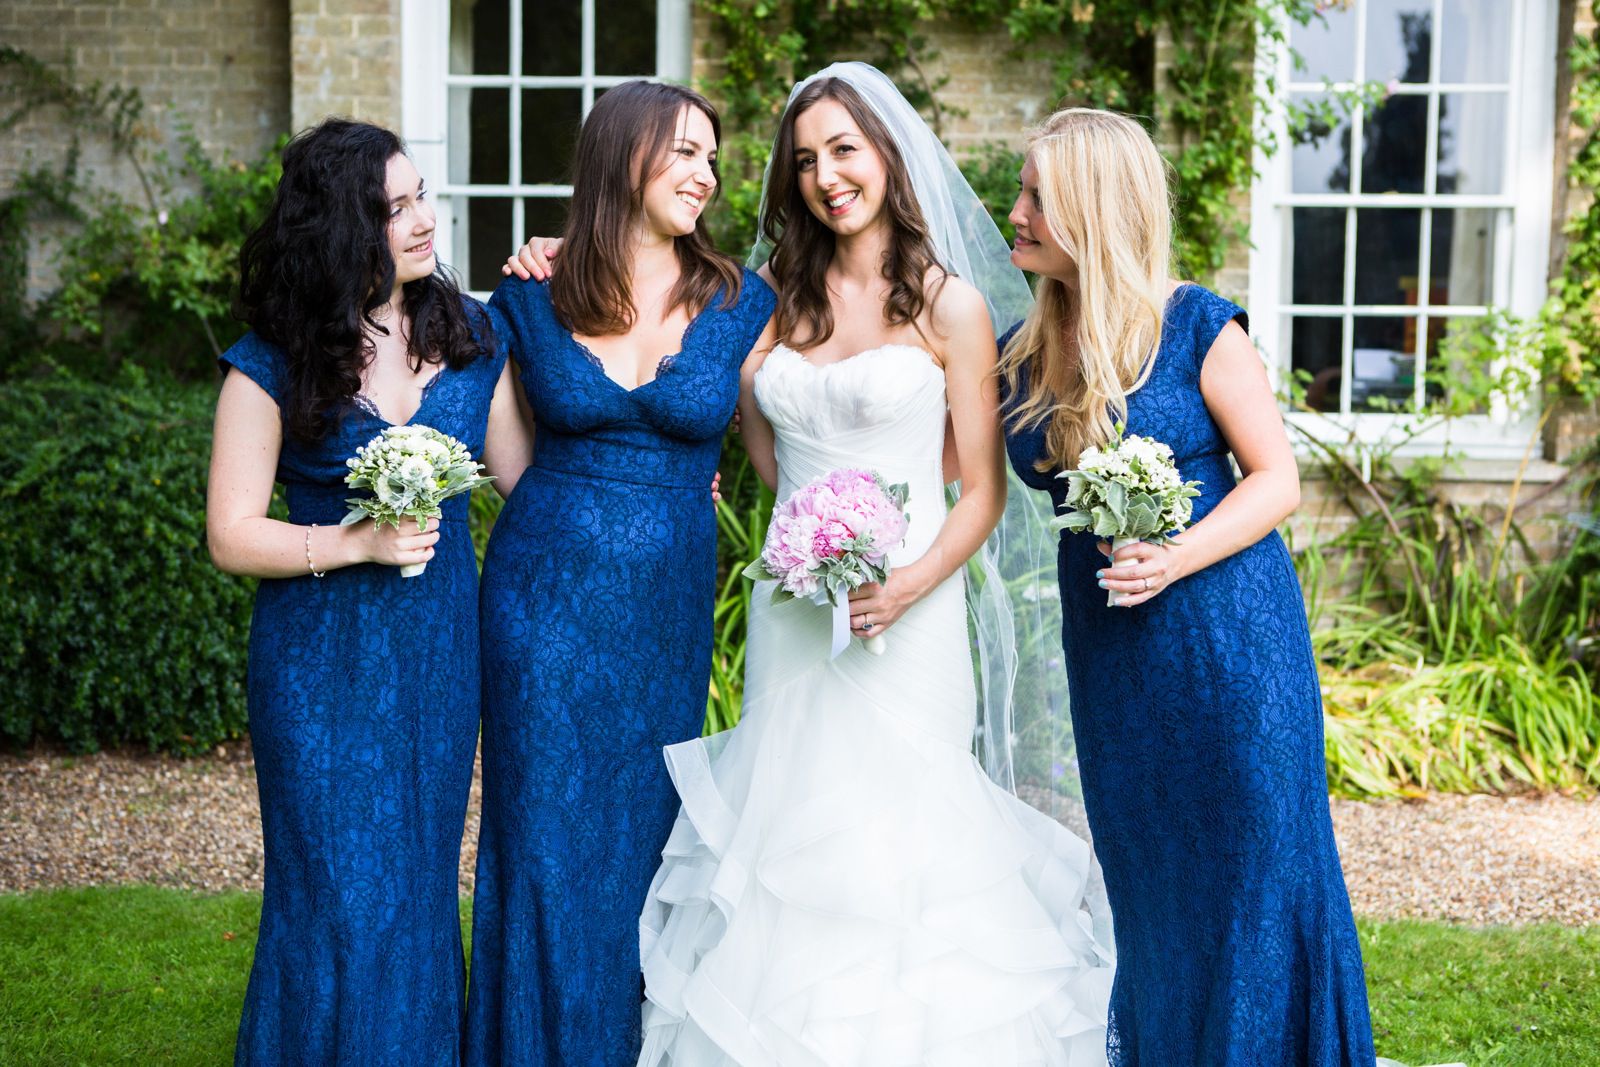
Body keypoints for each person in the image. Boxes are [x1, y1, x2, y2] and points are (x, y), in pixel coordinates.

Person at [633, 63, 1114, 1065]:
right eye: (804, 160)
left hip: (913, 607)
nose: (824, 176)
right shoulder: (769, 300)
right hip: (794, 608)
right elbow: (761, 448)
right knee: (788, 817)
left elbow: (978, 488)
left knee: (904, 828)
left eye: (843, 149)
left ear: (888, 156)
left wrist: (900, 579)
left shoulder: (953, 308)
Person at [1001, 108, 1377, 1066]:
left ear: (1090, 206)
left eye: (1038, 195)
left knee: (1258, 868)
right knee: (1154, 877)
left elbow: (1278, 479)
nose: (1017, 210)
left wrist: (1174, 554)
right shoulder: (1024, 351)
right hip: (1116, 652)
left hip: (1230, 640)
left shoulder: (1199, 324)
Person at [464, 80, 776, 1067]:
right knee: (544, 835)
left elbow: (805, 416)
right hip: (541, 600)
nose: (706, 174)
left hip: (662, 612)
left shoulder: (741, 298)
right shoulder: (527, 289)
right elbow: (505, 456)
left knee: (648, 829)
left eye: (712, 158)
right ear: (620, 156)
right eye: (684, 152)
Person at [207, 119, 525, 1065]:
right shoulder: (271, 358)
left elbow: (526, 477)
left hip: (436, 653)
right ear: (341, 228)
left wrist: (655, 475)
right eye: (395, 208)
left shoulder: (472, 335)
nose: (426, 219)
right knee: (332, 888)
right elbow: (231, 532)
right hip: (318, 663)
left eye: (423, 194)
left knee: (418, 879)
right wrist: (355, 543)